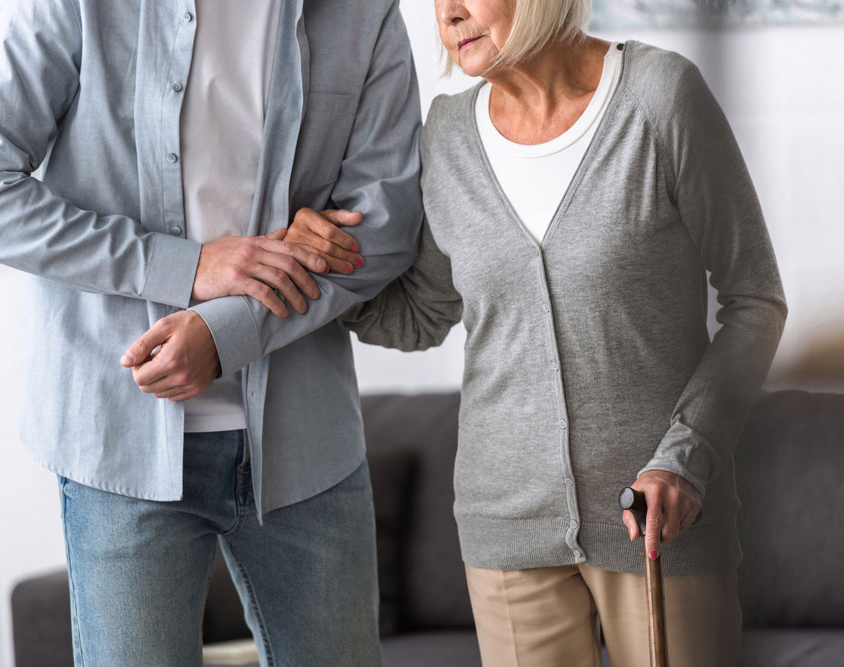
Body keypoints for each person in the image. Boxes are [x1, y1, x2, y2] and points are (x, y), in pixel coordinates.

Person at [285, 0, 787, 664]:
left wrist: (684, 460)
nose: (450, 13)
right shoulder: (447, 136)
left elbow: (755, 300)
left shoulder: (659, 97)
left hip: (661, 524)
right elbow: (422, 313)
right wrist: (321, 267)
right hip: (506, 534)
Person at [0, 0, 423, 664]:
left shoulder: (362, 12)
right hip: (118, 443)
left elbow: (385, 227)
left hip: (307, 444)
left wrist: (224, 333)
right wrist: (188, 266)